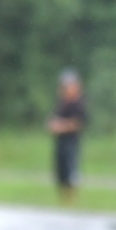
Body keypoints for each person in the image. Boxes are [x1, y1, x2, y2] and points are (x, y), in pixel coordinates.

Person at [48, 69, 87, 203]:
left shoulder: (79, 103)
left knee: (71, 171)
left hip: (71, 142)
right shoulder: (62, 102)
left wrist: (61, 126)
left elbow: (78, 123)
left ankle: (72, 200)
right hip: (61, 142)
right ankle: (64, 201)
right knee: (61, 172)